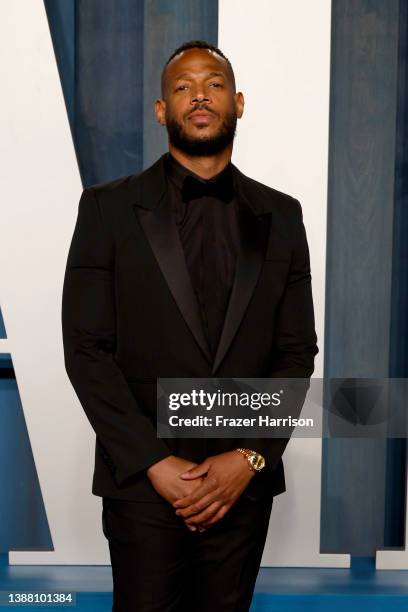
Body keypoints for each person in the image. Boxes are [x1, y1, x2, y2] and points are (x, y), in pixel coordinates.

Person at [62, 39, 318, 612]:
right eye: (182, 87)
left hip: (243, 488)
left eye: (214, 84)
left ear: (239, 103)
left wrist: (249, 456)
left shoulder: (283, 214)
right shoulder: (106, 208)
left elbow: (297, 350)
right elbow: (85, 349)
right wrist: (154, 462)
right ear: (161, 110)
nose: (199, 95)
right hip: (142, 484)